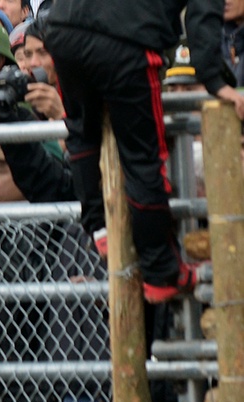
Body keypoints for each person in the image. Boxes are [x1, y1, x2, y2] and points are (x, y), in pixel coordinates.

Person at [42, 0, 244, 303]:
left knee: (82, 132)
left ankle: (99, 229)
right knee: (143, 158)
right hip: (127, 40)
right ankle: (160, 271)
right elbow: (203, 12)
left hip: (61, 29)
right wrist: (215, 81)